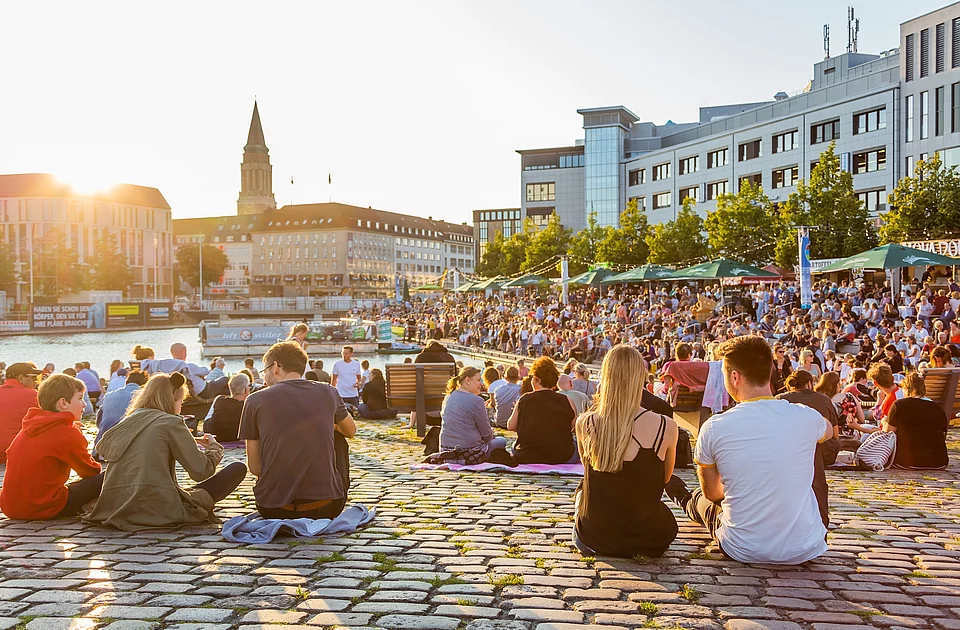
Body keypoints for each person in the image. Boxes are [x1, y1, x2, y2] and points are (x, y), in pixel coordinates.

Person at [664, 335, 832, 564]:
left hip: (743, 547)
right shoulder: (806, 417)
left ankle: (684, 499)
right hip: (804, 546)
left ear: (734, 377)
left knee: (702, 501)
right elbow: (828, 429)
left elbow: (713, 493)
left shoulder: (715, 427)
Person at [83, 373, 247, 530]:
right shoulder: (171, 422)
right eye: (181, 402)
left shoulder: (130, 420)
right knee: (237, 469)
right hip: (157, 507)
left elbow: (105, 448)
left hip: (115, 504)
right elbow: (201, 471)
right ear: (172, 400)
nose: (180, 407)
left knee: (187, 491)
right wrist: (213, 448)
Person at [573, 345, 679, 558]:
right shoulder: (666, 426)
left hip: (595, 536)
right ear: (641, 378)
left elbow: (588, 472)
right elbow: (665, 478)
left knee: (581, 492)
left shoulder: (585, 423)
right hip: (648, 536)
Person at [241, 341, 357, 519]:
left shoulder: (254, 400)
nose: (264, 376)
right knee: (338, 438)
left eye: (265, 370)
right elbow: (350, 431)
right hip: (325, 507)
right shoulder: (328, 391)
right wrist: (328, 425)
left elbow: (255, 467)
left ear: (276, 367)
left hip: (273, 509)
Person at [0, 374, 103, 520]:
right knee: (107, 476)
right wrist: (78, 437)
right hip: (44, 507)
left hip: (10, 508)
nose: (84, 404)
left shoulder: (30, 427)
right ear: (63, 403)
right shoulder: (66, 433)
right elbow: (90, 471)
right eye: (80, 398)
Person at [777, 370, 839, 528]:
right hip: (819, 450)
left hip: (788, 449)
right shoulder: (823, 399)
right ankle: (821, 522)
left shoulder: (780, 399)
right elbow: (835, 434)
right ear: (810, 383)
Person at [507, 356, 579, 464]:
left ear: (538, 380)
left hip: (527, 454)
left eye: (532, 378)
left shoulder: (525, 399)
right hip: (562, 455)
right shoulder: (567, 400)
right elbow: (574, 427)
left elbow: (511, 426)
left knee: (514, 446)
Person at [439, 366, 508, 459]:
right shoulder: (477, 401)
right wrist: (491, 433)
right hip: (470, 452)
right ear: (467, 380)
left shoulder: (448, 397)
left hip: (445, 450)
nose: (481, 384)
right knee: (502, 441)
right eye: (478, 380)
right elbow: (487, 435)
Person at [885, 373, 949, 469]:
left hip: (906, 461)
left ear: (907, 389)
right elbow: (942, 434)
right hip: (939, 462)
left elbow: (887, 433)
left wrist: (884, 422)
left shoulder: (899, 405)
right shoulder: (938, 409)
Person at [93, 370, 148, 461]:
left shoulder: (109, 395)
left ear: (127, 381)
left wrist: (102, 427)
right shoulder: (142, 396)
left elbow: (99, 418)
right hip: (126, 443)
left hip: (102, 441)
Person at [0, 362, 42, 464]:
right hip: (17, 455)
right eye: (34, 377)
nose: (36, 381)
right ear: (21, 378)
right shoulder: (34, 396)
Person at [204, 373, 251, 442]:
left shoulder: (220, 400)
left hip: (214, 434)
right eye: (249, 386)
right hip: (234, 437)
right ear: (246, 389)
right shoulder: (248, 406)